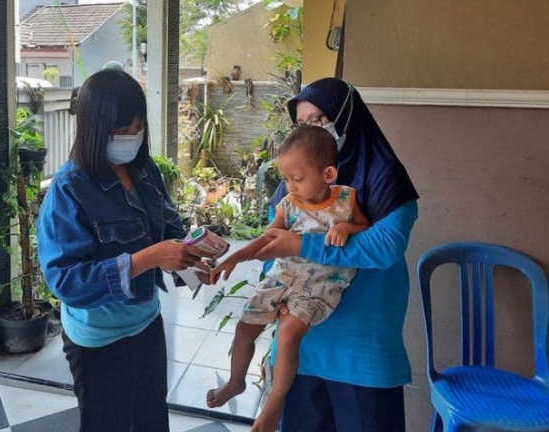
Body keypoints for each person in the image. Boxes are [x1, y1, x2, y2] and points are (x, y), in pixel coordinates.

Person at [36, 69, 214, 432]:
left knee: (151, 420)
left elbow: (169, 226)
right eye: (121, 131)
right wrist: (147, 258)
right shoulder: (69, 189)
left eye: (137, 129)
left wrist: (191, 258)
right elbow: (66, 281)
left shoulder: (145, 171)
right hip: (97, 339)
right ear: (95, 128)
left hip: (146, 322)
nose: (131, 138)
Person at [253, 78, 420, 432]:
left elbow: (385, 247)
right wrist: (275, 298)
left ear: (345, 116)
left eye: (318, 118)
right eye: (302, 123)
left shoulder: (384, 176)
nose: (312, 130)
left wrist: (301, 245)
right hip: (304, 342)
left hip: (363, 347)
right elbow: (273, 247)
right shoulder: (296, 180)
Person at [207, 126, 369, 432]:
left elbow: (365, 228)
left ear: (328, 174)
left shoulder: (345, 201)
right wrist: (234, 257)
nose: (290, 186)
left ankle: (274, 403)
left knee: (287, 334)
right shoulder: (288, 206)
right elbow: (266, 241)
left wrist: (346, 229)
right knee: (245, 328)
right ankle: (236, 381)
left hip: (321, 283)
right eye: (286, 179)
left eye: (298, 178)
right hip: (284, 275)